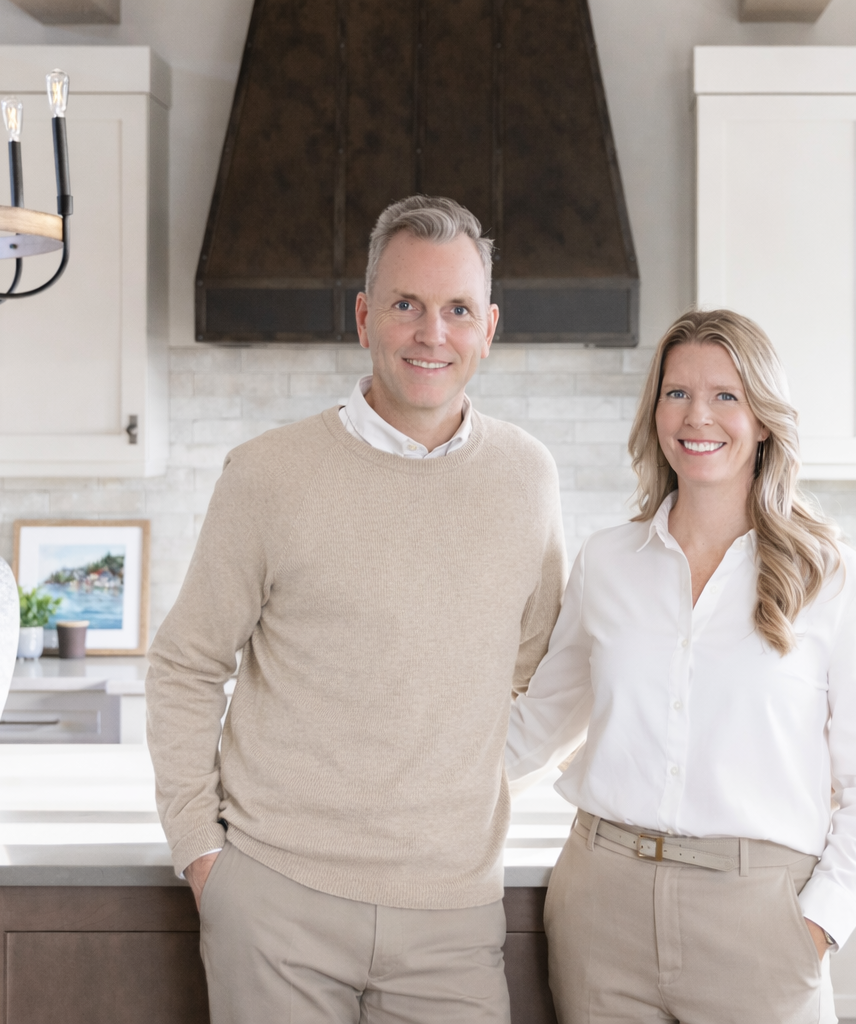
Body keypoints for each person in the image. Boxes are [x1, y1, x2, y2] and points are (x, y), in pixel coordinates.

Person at [147, 195, 566, 1024]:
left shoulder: (528, 478)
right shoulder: (267, 475)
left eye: (455, 311)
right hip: (275, 904)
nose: (430, 333)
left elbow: (539, 665)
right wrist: (202, 854)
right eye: (406, 305)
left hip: (452, 917)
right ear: (366, 315)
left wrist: (455, 771)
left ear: (489, 327)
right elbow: (187, 664)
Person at [506, 309, 856, 1024]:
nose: (698, 416)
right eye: (676, 393)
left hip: (759, 921)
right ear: (655, 412)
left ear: (764, 418)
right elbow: (532, 733)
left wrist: (814, 927)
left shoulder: (842, 582)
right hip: (600, 911)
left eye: (726, 394)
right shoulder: (607, 563)